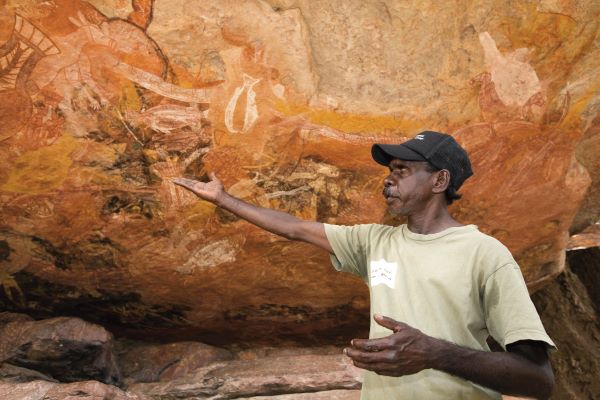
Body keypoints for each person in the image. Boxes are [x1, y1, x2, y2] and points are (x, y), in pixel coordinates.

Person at [173, 130, 555, 399]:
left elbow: (538, 379)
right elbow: (296, 229)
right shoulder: (375, 241)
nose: (388, 180)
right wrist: (225, 201)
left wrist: (435, 353)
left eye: (403, 170)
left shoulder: (486, 254)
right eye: (389, 171)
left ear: (440, 180)